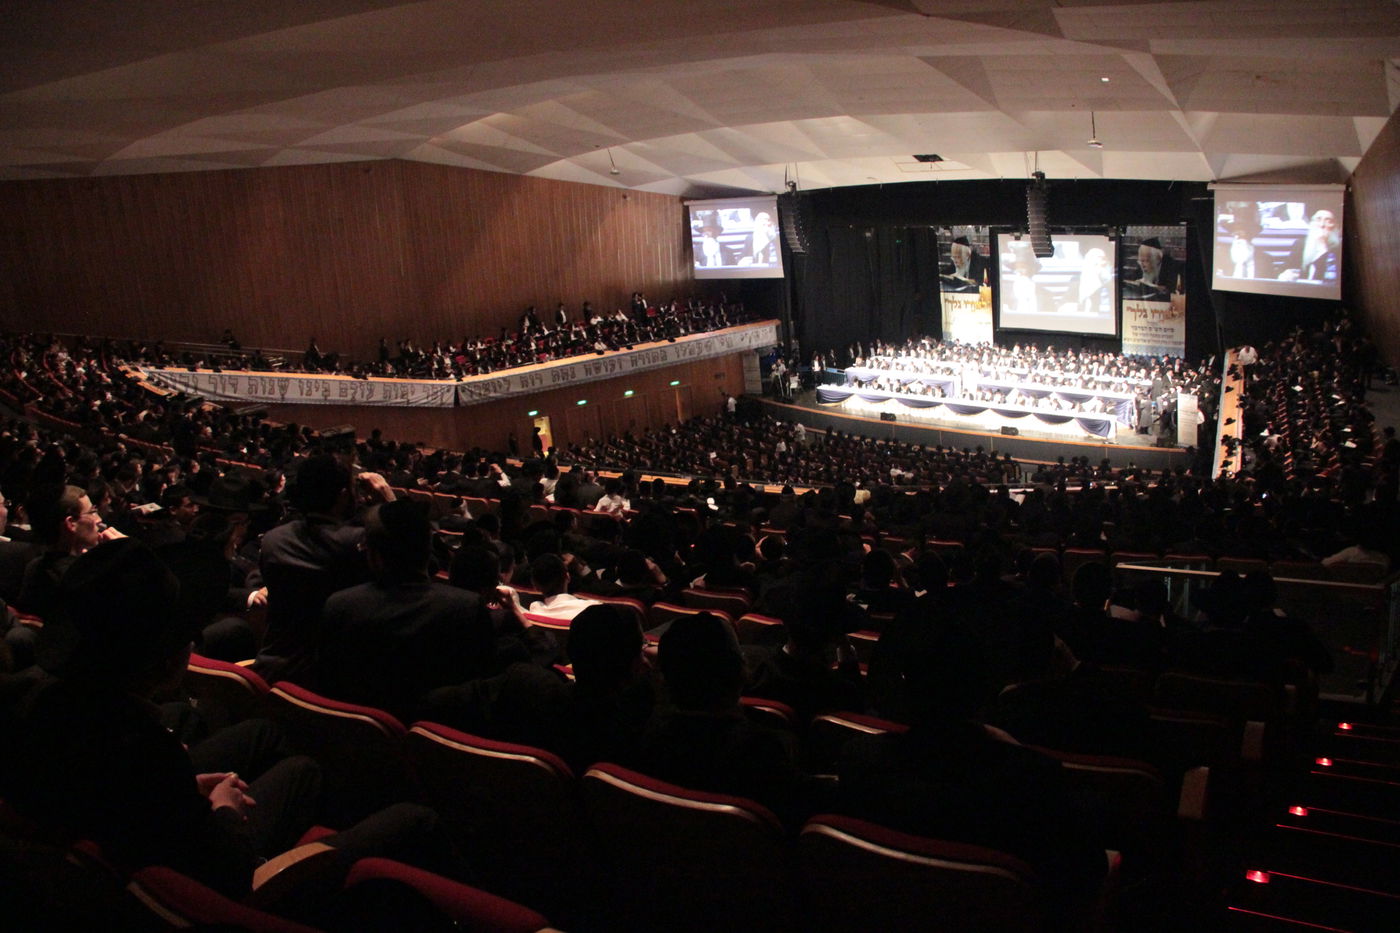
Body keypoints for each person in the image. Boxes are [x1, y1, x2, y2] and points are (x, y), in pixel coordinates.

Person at [313, 500, 495, 722]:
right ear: (428, 550)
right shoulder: (467, 608)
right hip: (435, 743)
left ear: (374, 555)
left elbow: (328, 684)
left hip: (352, 741)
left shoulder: (339, 606)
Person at [1278, 208, 1339, 282]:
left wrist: (1322, 247)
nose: (1322, 225)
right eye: (1318, 219)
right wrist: (1285, 275)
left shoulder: (1339, 249)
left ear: (1335, 226)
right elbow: (1287, 269)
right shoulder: (1300, 245)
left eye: (1328, 221)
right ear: (1311, 224)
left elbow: (1330, 277)